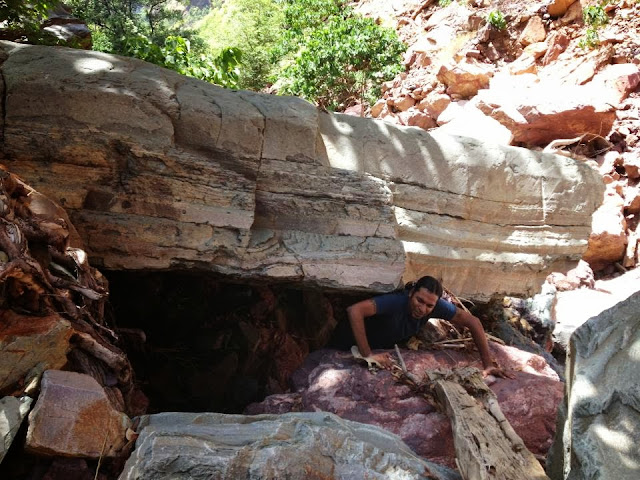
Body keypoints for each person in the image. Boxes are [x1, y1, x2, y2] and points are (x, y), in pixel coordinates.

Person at [331, 275, 511, 378]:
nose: (422, 308)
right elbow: (355, 310)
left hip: (384, 344)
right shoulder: (397, 301)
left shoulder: (436, 306)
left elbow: (474, 322)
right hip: (346, 341)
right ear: (411, 293)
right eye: (419, 300)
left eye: (429, 306)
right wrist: (367, 354)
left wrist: (488, 364)